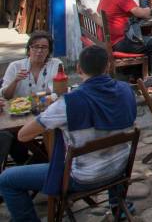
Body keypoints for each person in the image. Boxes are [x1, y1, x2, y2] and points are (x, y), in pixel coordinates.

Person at [0, 46, 137, 222]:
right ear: (108, 67)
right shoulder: (126, 90)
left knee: (6, 179)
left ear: (79, 68)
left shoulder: (69, 103)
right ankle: (118, 205)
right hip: (119, 168)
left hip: (82, 177)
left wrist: (52, 120)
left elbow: (23, 136)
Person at [0, 31, 61, 168]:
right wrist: (15, 81)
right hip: (18, 117)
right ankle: (32, 164)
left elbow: (55, 91)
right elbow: (6, 96)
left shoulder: (55, 64)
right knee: (11, 137)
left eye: (44, 47)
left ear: (49, 51)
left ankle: (39, 163)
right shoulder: (15, 66)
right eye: (35, 47)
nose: (39, 51)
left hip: (43, 115)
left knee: (58, 131)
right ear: (29, 49)